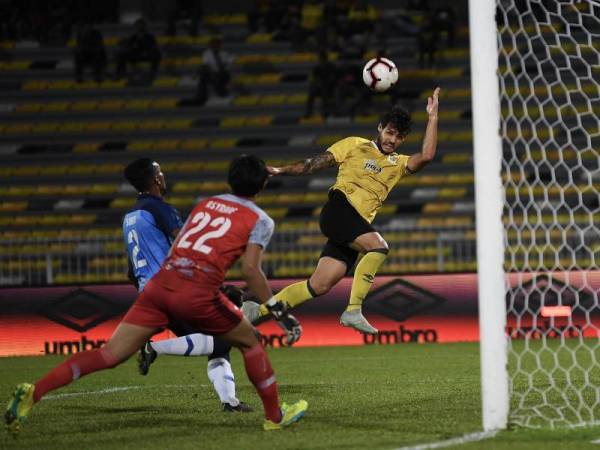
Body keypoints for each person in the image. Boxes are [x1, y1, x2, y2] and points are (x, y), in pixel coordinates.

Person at [5, 155, 308, 435]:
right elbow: (252, 271)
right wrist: (281, 313)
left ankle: (36, 392)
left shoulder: (207, 203)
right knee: (251, 341)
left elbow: (177, 248)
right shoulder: (261, 220)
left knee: (109, 354)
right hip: (197, 291)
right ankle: (274, 417)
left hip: (158, 286)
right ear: (264, 183)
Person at [243, 88, 441, 338]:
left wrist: (432, 118)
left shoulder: (399, 164)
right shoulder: (354, 145)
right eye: (390, 132)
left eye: (399, 137)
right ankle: (353, 310)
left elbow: (428, 155)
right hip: (338, 210)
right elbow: (313, 164)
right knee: (378, 247)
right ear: (380, 128)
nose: (393, 140)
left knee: (320, 284)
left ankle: (256, 312)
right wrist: (281, 171)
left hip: (353, 226)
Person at [121, 157, 250, 412]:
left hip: (151, 293)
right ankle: (153, 347)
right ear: (157, 179)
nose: (164, 175)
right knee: (224, 339)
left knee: (218, 345)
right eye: (161, 171)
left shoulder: (130, 217)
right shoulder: (160, 209)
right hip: (172, 291)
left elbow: (131, 270)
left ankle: (229, 401)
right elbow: (188, 248)